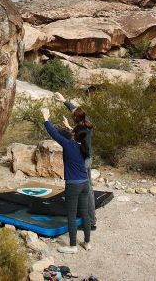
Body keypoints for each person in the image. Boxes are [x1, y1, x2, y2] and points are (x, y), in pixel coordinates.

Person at [41, 106, 91, 254]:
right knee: (85, 213)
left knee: (71, 215)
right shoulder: (84, 146)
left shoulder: (69, 145)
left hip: (73, 185)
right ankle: (87, 242)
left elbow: (54, 134)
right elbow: (77, 133)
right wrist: (69, 127)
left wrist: (46, 118)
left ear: (74, 135)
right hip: (85, 183)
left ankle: (73, 246)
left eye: (72, 131)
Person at [56, 94, 97, 231]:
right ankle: (88, 216)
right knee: (86, 188)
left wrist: (67, 128)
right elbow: (75, 110)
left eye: (73, 114)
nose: (72, 112)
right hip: (87, 158)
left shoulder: (81, 129)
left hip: (83, 160)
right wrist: (64, 101)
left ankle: (91, 221)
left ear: (75, 119)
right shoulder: (86, 122)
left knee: (87, 189)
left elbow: (74, 136)